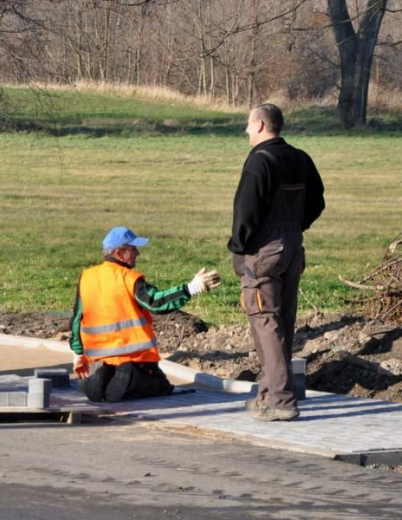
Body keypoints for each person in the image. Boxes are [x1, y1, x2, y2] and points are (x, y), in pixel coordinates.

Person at [229, 103, 325, 422]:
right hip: (293, 246)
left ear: (259, 126)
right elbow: (317, 200)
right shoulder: (300, 157)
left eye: (248, 124)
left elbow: (246, 212)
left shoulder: (260, 161)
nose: (245, 130)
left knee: (265, 321)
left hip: (263, 249)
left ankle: (282, 401)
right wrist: (295, 228)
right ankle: (268, 393)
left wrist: (239, 249)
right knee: (282, 322)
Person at [70, 227, 221, 402]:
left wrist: (78, 355)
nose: (138, 253)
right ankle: (127, 379)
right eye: (133, 249)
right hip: (136, 359)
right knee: (161, 385)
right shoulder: (129, 278)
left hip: (100, 356)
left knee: (104, 377)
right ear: (119, 253)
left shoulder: (87, 277)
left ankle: (105, 375)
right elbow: (156, 302)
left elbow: (76, 318)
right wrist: (191, 288)